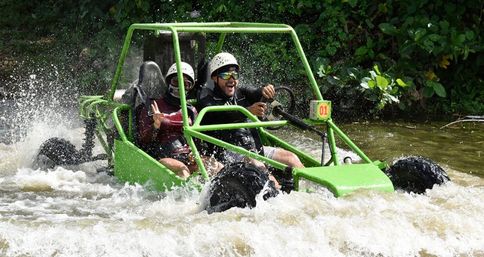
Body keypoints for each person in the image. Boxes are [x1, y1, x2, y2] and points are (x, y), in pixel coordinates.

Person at [197, 52, 304, 172]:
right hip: (226, 153)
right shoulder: (206, 97)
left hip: (253, 149)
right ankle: (275, 188)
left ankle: (313, 189)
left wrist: (265, 90)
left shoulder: (241, 93)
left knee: (291, 158)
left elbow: (256, 92)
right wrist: (248, 111)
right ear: (214, 77)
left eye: (235, 75)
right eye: (226, 75)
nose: (231, 79)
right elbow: (221, 114)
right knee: (258, 166)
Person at [138, 61, 222, 178]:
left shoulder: (191, 110)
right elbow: (143, 141)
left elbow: (198, 141)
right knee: (183, 170)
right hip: (163, 157)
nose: (180, 87)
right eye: (176, 82)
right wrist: (155, 126)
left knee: (217, 166)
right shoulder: (154, 106)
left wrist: (195, 152)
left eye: (186, 84)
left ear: (190, 87)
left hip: (187, 156)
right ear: (169, 82)